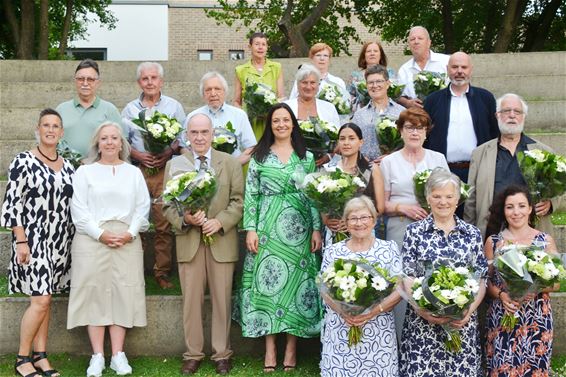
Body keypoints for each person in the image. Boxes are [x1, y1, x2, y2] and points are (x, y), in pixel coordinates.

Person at [236, 103, 322, 373]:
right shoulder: (259, 156)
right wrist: (251, 228)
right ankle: (270, 347)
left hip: (299, 229)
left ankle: (292, 348)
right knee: (268, 285)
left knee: (296, 285)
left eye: (286, 120)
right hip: (267, 227)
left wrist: (316, 228)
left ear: (293, 124)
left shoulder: (305, 156)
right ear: (270, 125)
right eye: (276, 121)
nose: (282, 124)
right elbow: (251, 194)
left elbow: (313, 195)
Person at [163, 113, 244, 375]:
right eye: (194, 133)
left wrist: (219, 222)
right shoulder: (176, 165)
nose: (199, 137)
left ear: (212, 134)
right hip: (189, 241)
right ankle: (193, 353)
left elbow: (239, 201)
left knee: (222, 300)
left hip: (220, 240)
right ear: (187, 135)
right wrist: (185, 219)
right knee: (191, 301)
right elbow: (167, 205)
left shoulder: (229, 163)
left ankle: (222, 354)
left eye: (204, 132)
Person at [67, 122, 150, 377]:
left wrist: (130, 233)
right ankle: (97, 357)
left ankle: (117, 355)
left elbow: (142, 206)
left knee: (121, 294)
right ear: (97, 143)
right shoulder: (84, 172)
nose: (110, 142)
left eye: (115, 138)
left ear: (122, 143)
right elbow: (78, 210)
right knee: (95, 295)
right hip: (92, 240)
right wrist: (101, 235)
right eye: (105, 138)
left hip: (127, 240)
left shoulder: (133, 173)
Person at [1, 109, 75, 377]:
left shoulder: (68, 166)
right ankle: (22, 359)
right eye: (46, 125)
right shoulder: (23, 161)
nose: (51, 130)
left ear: (62, 132)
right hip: (33, 239)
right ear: (38, 128)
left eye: (56, 125)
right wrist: (20, 240)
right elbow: (12, 204)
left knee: (47, 298)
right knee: (41, 300)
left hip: (60, 240)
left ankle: (41, 356)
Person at [399, 168, 487, 377]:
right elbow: (408, 276)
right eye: (437, 196)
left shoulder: (472, 234)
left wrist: (468, 312)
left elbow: (481, 278)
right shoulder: (414, 232)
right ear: (428, 198)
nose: (443, 202)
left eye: (449, 196)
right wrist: (423, 311)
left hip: (461, 325)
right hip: (423, 326)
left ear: (458, 199)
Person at [380, 107, 448, 340]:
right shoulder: (388, 162)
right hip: (400, 227)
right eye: (409, 127)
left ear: (426, 132)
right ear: (401, 131)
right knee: (402, 283)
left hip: (432, 229)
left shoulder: (437, 159)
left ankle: (432, 339)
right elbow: (382, 205)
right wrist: (402, 207)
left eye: (420, 128)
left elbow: (449, 194)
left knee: (431, 279)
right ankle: (400, 341)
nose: (415, 132)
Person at [121, 61, 186, 289]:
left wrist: (167, 151)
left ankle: (161, 271)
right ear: (139, 82)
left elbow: (182, 138)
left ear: (161, 81)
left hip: (164, 171)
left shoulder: (174, 106)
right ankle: (133, 271)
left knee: (163, 224)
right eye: (145, 78)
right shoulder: (130, 109)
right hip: (138, 171)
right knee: (134, 222)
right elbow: (122, 141)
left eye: (154, 78)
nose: (150, 82)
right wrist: (138, 154)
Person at [320, 195, 401, 377]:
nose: (359, 223)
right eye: (353, 218)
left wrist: (374, 311)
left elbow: (399, 289)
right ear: (346, 223)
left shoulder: (388, 249)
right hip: (342, 326)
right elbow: (324, 288)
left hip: (378, 329)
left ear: (373, 220)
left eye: (364, 217)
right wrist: (344, 312)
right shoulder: (334, 251)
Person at [483, 185, 559, 377]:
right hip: (503, 317)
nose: (516, 212)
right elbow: (486, 282)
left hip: (536, 319)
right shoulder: (493, 241)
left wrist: (534, 287)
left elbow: (558, 282)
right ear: (503, 210)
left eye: (521, 206)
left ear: (530, 208)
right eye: (510, 207)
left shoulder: (545, 241)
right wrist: (501, 295)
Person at [464, 93, 561, 239]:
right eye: (506, 111)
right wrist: (470, 234)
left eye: (517, 111)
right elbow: (471, 198)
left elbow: (561, 191)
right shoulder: (480, 153)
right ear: (497, 115)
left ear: (523, 116)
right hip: (492, 229)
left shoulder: (544, 152)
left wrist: (551, 203)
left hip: (533, 228)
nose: (512, 115)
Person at [423, 52, 499, 183]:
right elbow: (425, 135)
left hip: (478, 171)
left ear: (471, 69)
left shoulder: (486, 98)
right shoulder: (432, 100)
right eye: (454, 67)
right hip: (442, 172)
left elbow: (495, 133)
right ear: (447, 69)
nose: (459, 71)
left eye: (464, 67)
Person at [321, 123, 385, 245]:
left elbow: (380, 207)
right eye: (342, 139)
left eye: (351, 138)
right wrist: (326, 221)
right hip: (335, 231)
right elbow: (323, 202)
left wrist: (353, 221)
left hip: (363, 230)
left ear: (360, 142)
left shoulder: (371, 169)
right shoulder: (329, 169)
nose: (346, 143)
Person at [56, 59, 125, 157]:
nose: (85, 83)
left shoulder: (109, 110)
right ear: (75, 81)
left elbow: (121, 141)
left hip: (99, 168)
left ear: (98, 82)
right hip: (66, 167)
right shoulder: (61, 109)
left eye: (90, 79)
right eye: (80, 79)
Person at [185, 71, 256, 165]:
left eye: (217, 89)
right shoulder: (192, 117)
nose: (213, 93)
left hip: (232, 172)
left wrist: (232, 166)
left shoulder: (239, 115)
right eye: (208, 90)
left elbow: (251, 148)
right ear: (203, 94)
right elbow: (184, 147)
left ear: (225, 92)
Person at [234, 32, 285, 140]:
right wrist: (244, 116)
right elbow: (236, 101)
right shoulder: (240, 70)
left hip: (271, 121)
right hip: (250, 122)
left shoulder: (276, 67)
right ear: (250, 46)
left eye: (263, 44)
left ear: (267, 47)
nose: (260, 47)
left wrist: (270, 112)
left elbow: (281, 97)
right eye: (257, 44)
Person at [351, 64, 405, 163]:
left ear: (388, 83)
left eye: (379, 81)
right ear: (366, 86)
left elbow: (409, 143)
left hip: (395, 166)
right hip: (367, 169)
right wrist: (361, 160)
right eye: (370, 82)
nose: (375, 85)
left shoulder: (401, 113)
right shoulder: (359, 115)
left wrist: (391, 157)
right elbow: (352, 142)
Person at [397, 26, 449, 109]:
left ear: (429, 43)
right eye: (412, 39)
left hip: (443, 111)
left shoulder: (446, 61)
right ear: (409, 44)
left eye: (420, 38)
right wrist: (407, 103)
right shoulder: (404, 70)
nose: (416, 42)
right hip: (417, 116)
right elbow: (399, 96)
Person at [348, 40, 394, 112]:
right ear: (364, 55)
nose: (372, 53)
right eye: (369, 51)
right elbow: (349, 97)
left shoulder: (390, 73)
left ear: (380, 55)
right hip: (362, 113)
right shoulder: (355, 76)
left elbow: (396, 95)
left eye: (375, 51)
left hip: (388, 112)